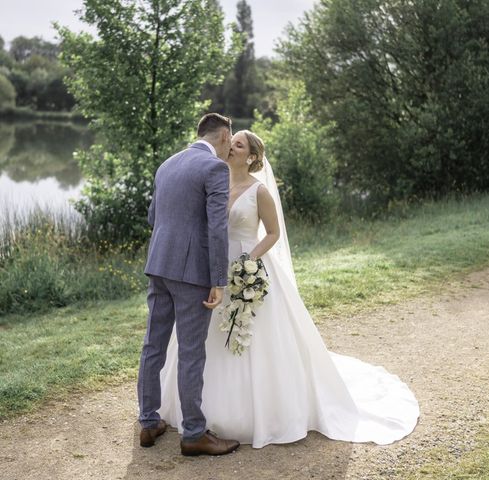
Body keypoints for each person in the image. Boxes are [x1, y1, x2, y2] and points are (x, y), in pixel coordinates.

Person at [158, 130, 419, 448]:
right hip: (211, 268)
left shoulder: (259, 192)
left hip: (246, 264)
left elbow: (272, 233)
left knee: (253, 334)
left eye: (238, 145)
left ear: (251, 156)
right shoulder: (214, 181)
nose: (230, 148)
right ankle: (194, 409)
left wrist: (248, 261)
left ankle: (257, 413)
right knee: (201, 335)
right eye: (230, 143)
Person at [137, 113, 240, 456]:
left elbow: (154, 217)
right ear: (224, 136)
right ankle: (194, 433)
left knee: (154, 345)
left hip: (159, 265)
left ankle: (149, 422)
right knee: (191, 352)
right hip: (192, 274)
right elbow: (217, 228)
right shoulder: (215, 169)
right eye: (231, 140)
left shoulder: (167, 165)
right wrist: (218, 280)